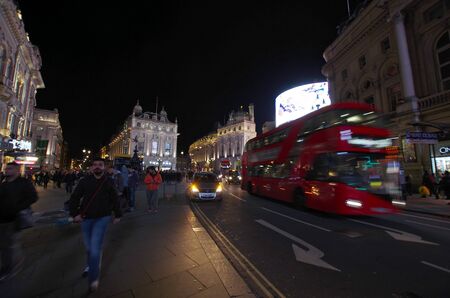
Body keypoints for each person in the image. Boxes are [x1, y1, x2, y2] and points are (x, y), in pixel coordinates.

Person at [69, 158, 121, 293]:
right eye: (95, 165)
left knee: (95, 246)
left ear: (104, 167)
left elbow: (115, 198)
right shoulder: (84, 181)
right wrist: (75, 214)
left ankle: (93, 279)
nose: (97, 167)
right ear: (91, 167)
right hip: (86, 217)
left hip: (103, 217)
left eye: (100, 165)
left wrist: (118, 214)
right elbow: (74, 197)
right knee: (88, 246)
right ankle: (89, 265)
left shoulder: (108, 181)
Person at [0, 162, 38, 282]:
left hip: (15, 219)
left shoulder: (24, 183)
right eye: (6, 169)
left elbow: (34, 197)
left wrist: (19, 207)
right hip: (2, 218)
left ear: (17, 170)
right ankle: (11, 263)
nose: (7, 171)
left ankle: (9, 267)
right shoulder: (4, 183)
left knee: (9, 244)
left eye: (10, 169)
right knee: (5, 244)